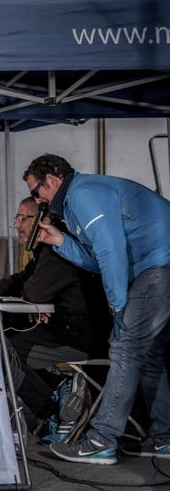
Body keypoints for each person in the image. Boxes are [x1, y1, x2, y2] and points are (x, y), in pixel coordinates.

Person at [26, 154, 170, 464]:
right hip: (156, 265)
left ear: (52, 179)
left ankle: (101, 440)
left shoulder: (82, 193)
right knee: (150, 356)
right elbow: (95, 260)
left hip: (160, 265)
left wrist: (117, 305)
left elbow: (110, 251)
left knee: (125, 349)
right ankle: (164, 439)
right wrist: (61, 240)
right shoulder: (77, 203)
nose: (38, 201)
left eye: (37, 192)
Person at [0, 196, 108, 435]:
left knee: (0, 352)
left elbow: (33, 292)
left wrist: (36, 302)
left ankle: (54, 408)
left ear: (42, 220)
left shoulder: (58, 252)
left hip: (79, 338)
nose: (16, 225)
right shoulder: (46, 253)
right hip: (66, 330)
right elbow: (20, 283)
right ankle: (60, 392)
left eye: (21, 217)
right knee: (6, 344)